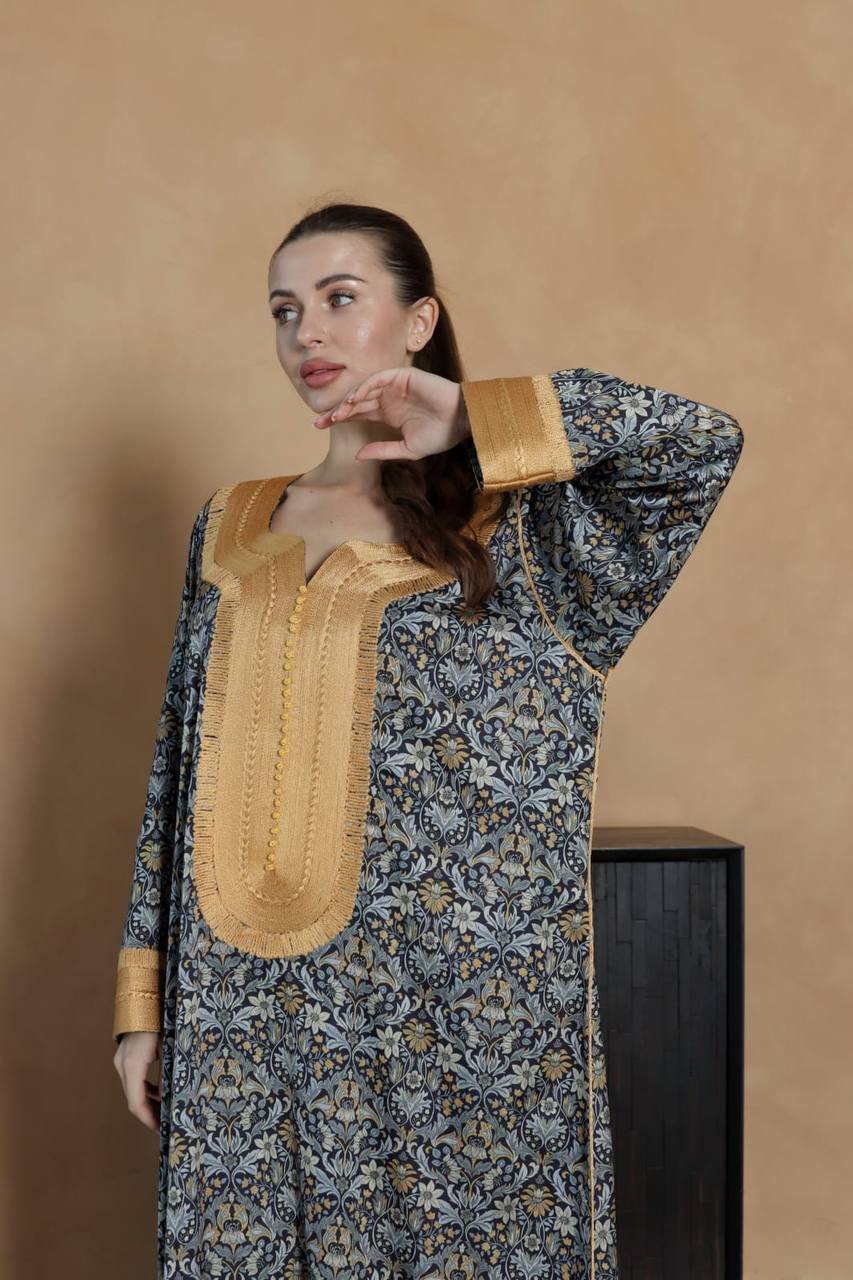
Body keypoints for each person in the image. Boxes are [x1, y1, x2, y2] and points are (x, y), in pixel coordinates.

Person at [111, 201, 744, 1279]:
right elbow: (179, 765)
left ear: (419, 322)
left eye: (339, 298)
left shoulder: (531, 528)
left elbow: (700, 444)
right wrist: (144, 1003)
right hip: (242, 1016)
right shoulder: (229, 525)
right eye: (283, 309)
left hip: (455, 1027)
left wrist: (473, 420)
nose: (306, 331)